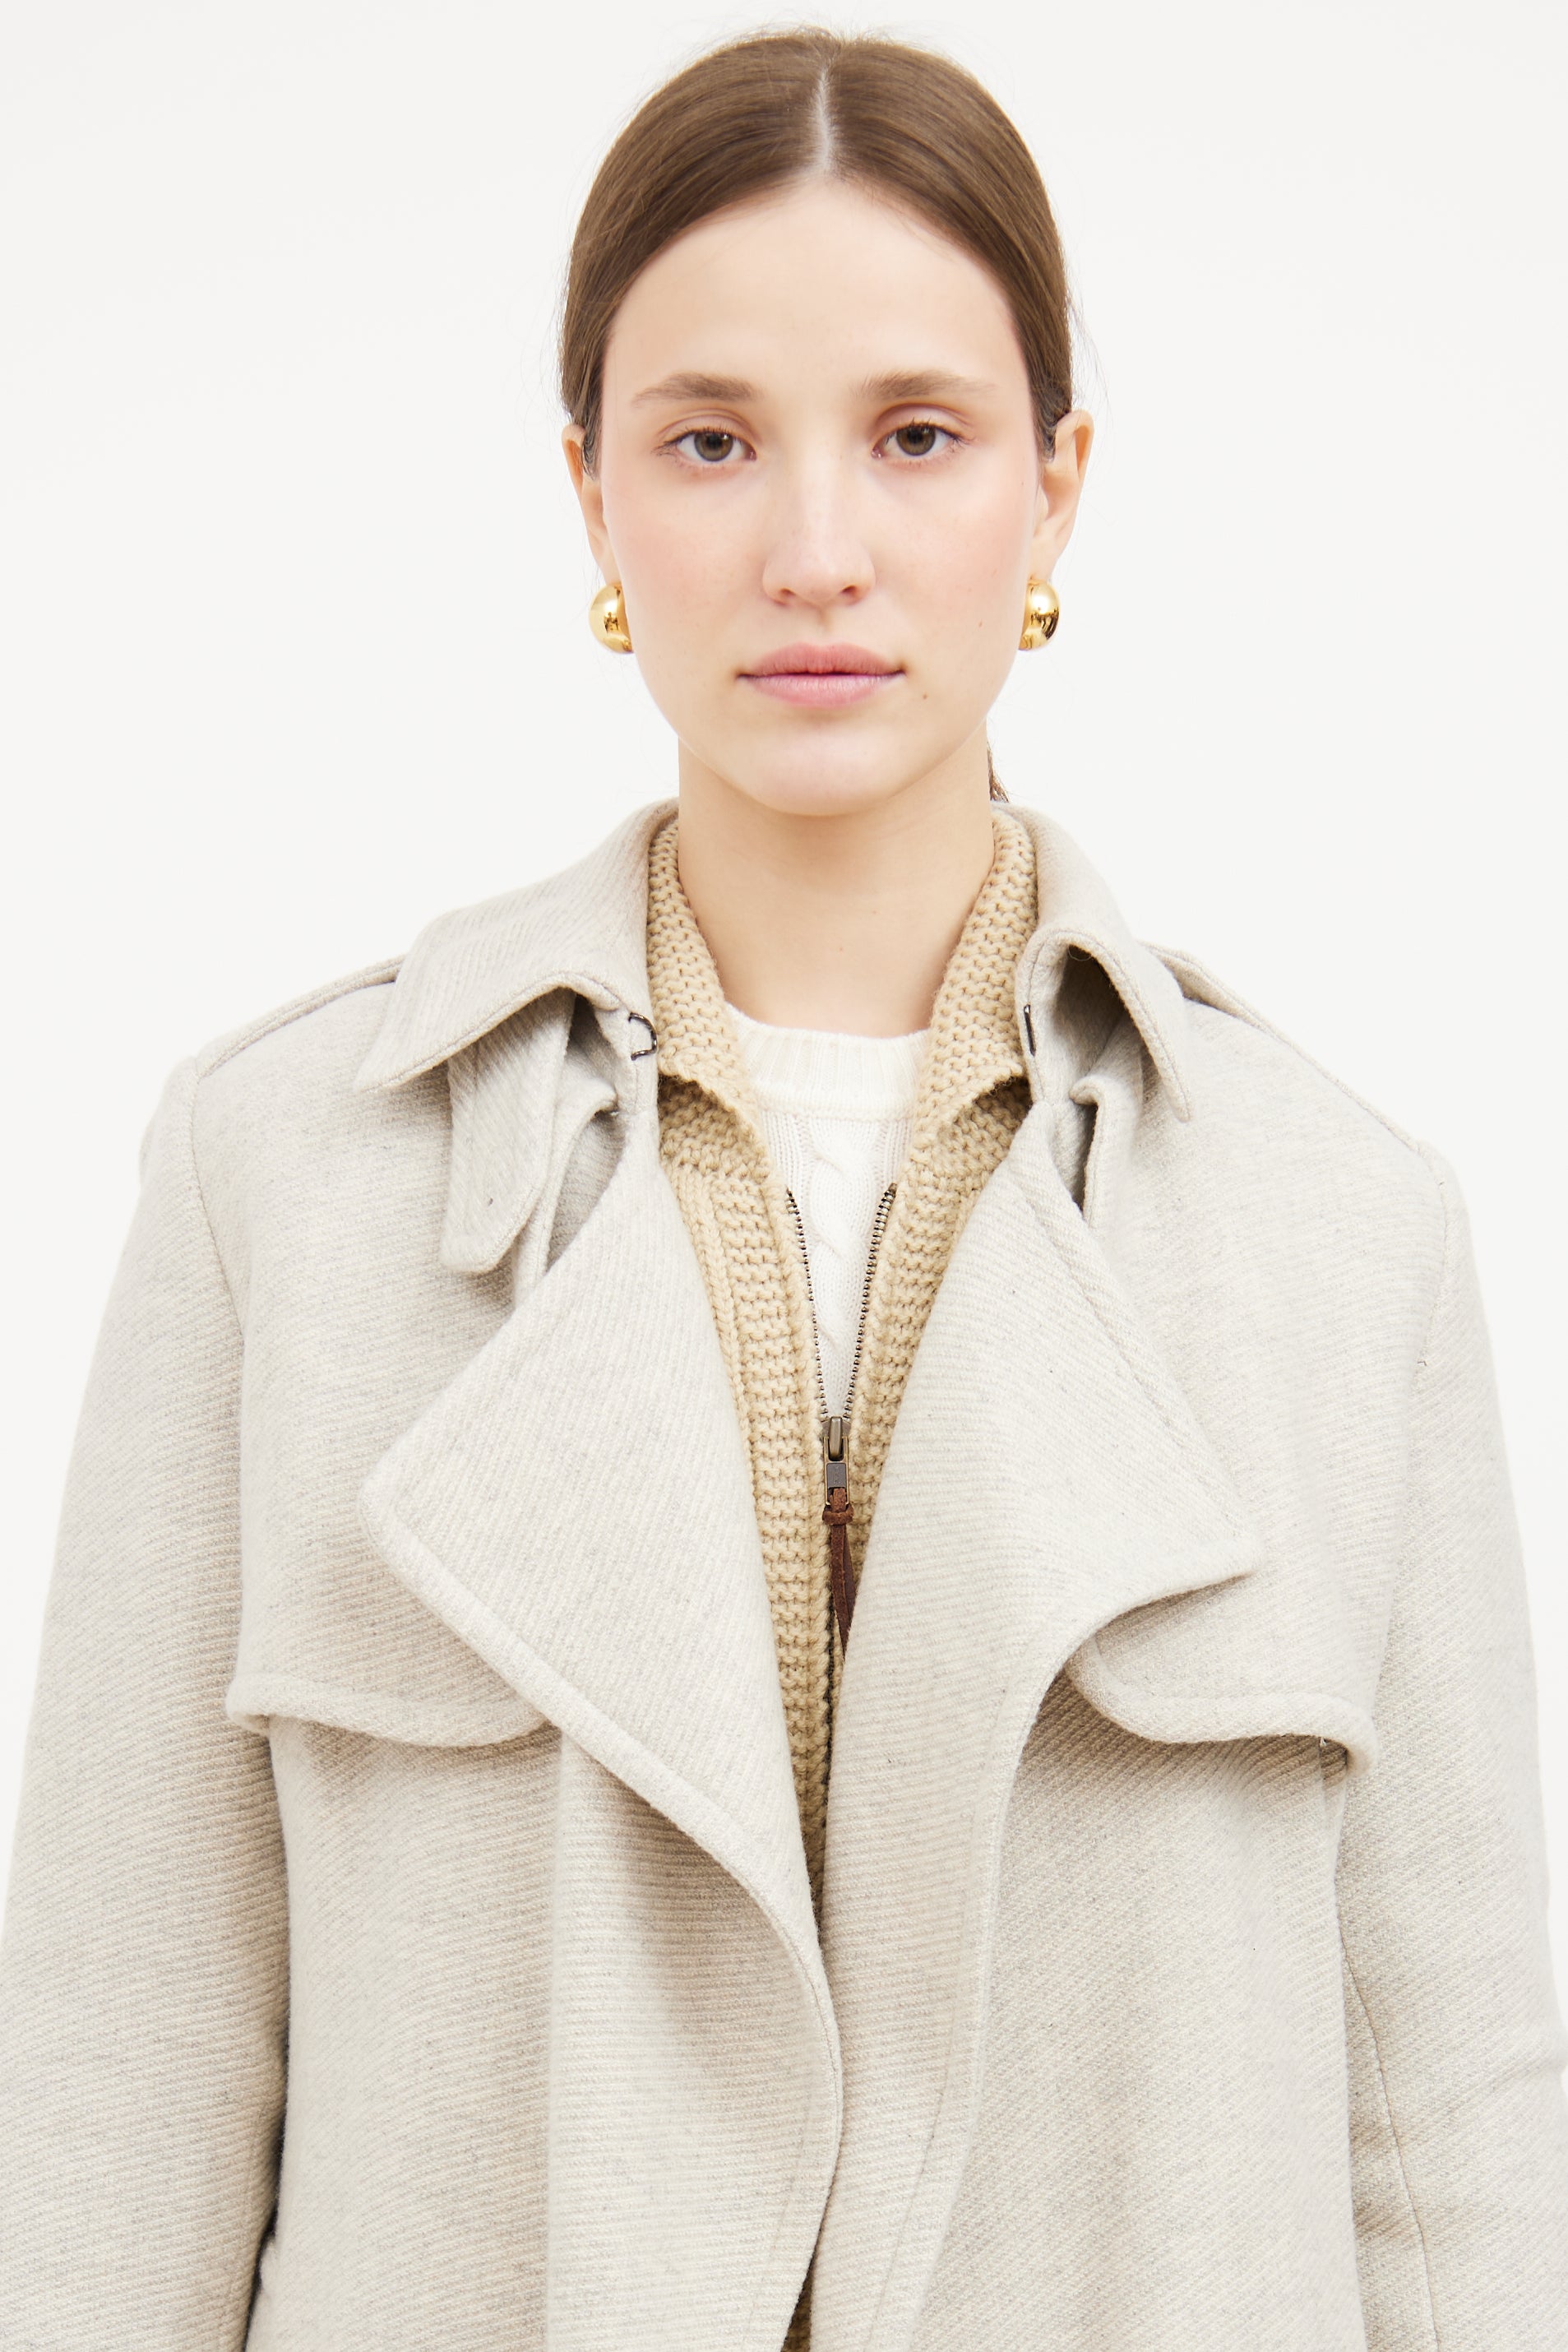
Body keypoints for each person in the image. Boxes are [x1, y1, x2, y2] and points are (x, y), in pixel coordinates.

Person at [1, 24, 1564, 2352]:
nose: (815, 549)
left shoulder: (1345, 1232)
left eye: (918, 436)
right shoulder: (283, 1177)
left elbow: (1452, 2142)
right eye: (710, 440)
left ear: (1056, 490)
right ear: (590, 495)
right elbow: (119, 2078)